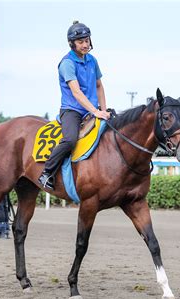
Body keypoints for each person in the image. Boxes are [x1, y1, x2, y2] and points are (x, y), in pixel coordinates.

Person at [38, 21, 111, 190]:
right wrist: (95, 111)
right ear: (72, 44)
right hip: (72, 110)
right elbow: (76, 92)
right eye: (81, 42)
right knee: (70, 140)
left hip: (93, 110)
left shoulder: (92, 60)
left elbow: (99, 86)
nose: (85, 45)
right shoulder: (67, 63)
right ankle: (46, 172)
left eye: (87, 40)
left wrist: (104, 110)